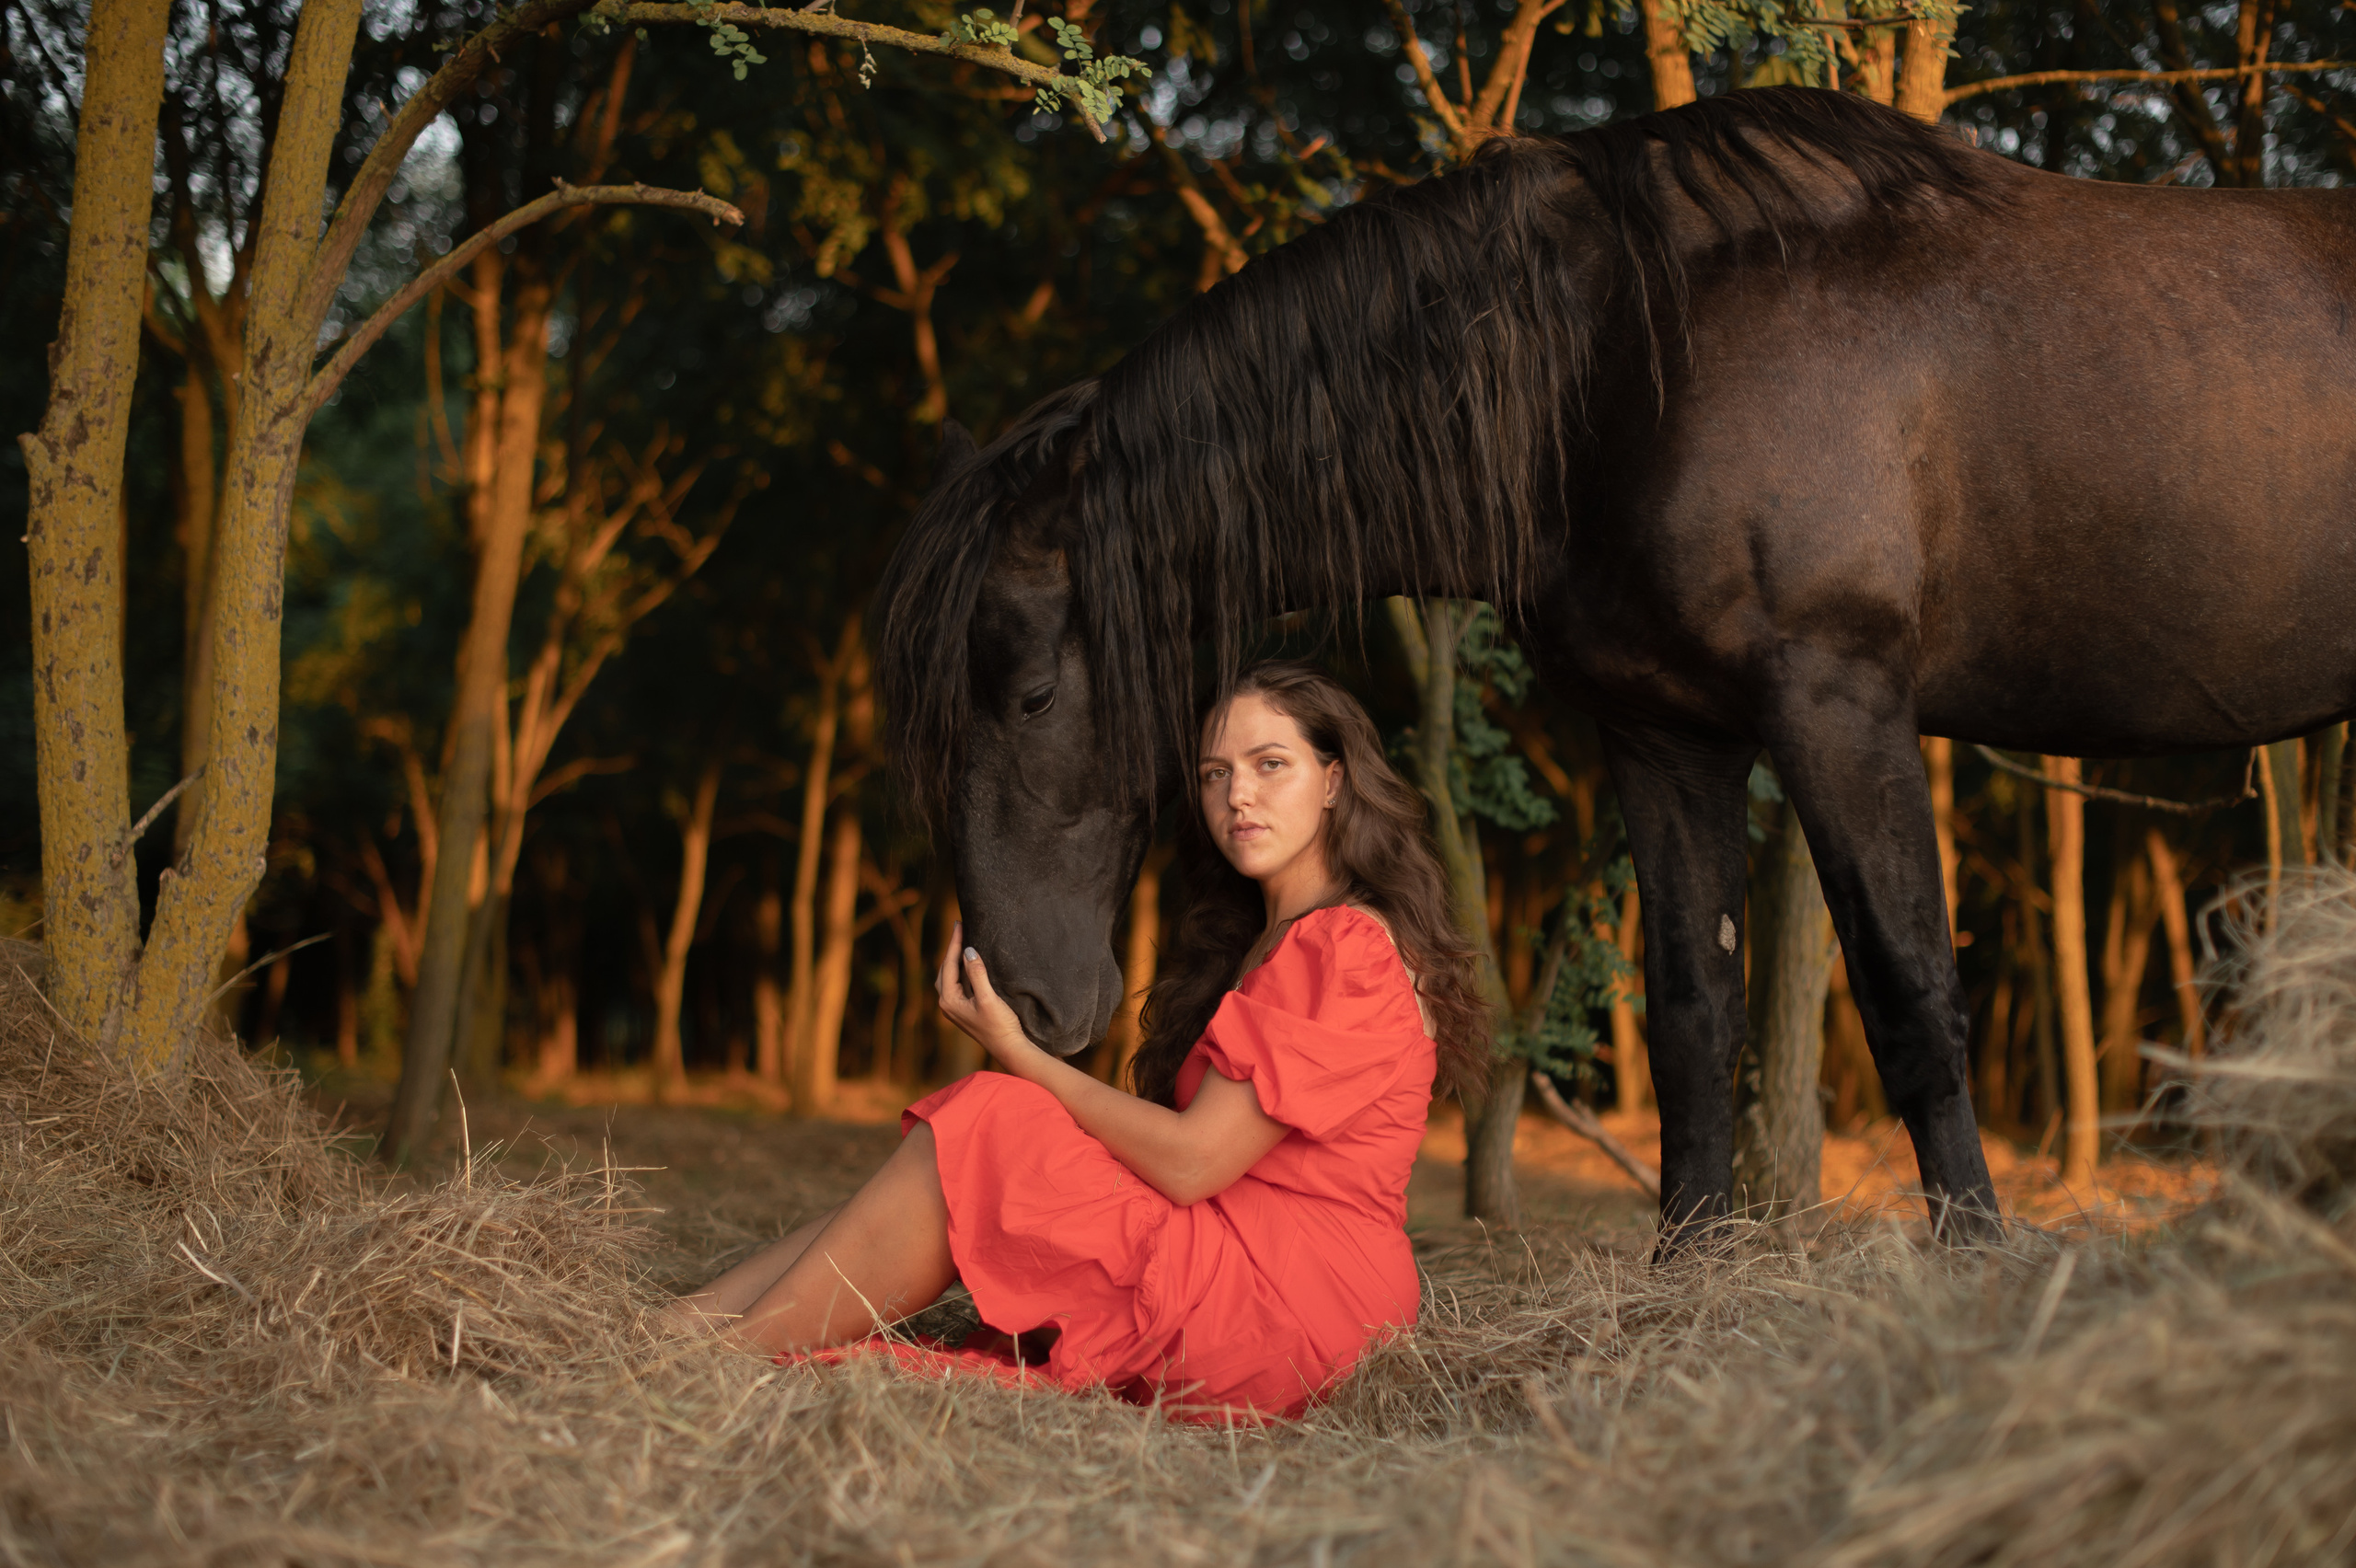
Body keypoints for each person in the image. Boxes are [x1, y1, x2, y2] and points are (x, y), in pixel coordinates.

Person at [669, 661, 1490, 1419]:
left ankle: (726, 1354)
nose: (1239, 795)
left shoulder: (1343, 946)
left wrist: (1022, 1056)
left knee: (994, 1118)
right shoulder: (1273, 941)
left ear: (1335, 781)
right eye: (1215, 774)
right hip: (1256, 1273)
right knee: (976, 1139)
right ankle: (682, 1331)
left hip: (1293, 1308)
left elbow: (1193, 1160)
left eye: (1271, 764)